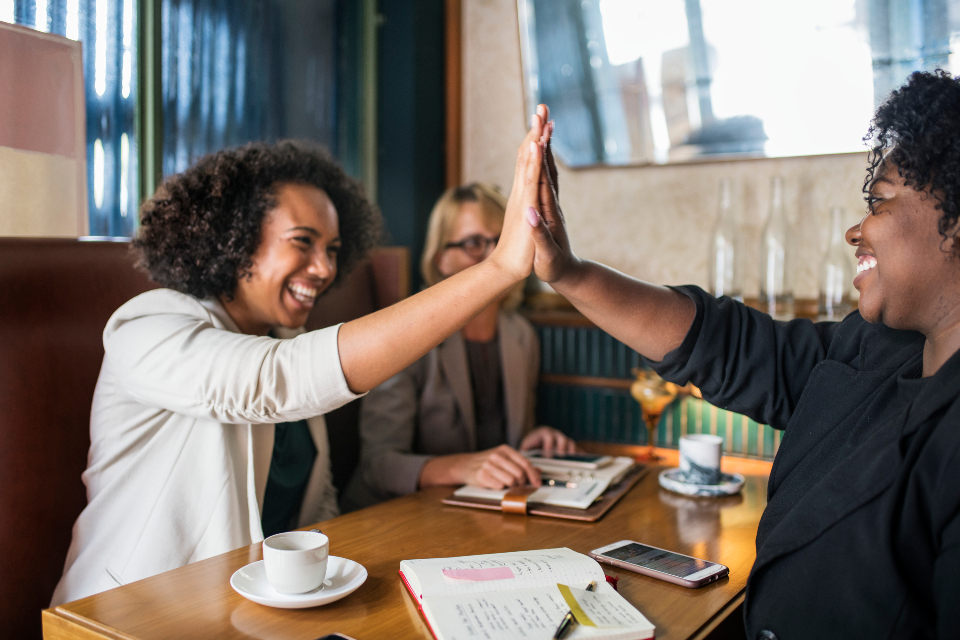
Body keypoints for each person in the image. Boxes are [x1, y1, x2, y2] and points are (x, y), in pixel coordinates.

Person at [52, 110, 555, 605]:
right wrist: (499, 268)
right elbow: (274, 383)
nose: (324, 269)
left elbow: (317, 509)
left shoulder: (285, 343)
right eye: (303, 243)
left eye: (333, 249)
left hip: (250, 614)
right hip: (124, 615)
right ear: (236, 239)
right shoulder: (146, 325)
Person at [527, 72, 960, 638]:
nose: (857, 229)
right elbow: (731, 347)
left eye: (878, 201)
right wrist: (568, 271)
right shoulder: (879, 350)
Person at [341, 183, 575, 511]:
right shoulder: (407, 334)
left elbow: (500, 442)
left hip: (480, 513)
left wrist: (532, 443)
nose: (496, 255)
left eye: (503, 241)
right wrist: (460, 467)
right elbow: (377, 466)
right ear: (441, 260)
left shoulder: (520, 334)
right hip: (399, 517)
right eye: (474, 243)